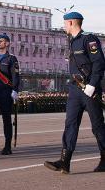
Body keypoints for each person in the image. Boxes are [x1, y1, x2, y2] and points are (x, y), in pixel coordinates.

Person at [44, 11, 105, 174]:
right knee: (70, 123)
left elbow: (99, 63)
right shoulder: (71, 41)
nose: (64, 26)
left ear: (71, 23)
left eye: (65, 23)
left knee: (98, 126)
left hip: (89, 90)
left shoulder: (88, 39)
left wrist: (93, 84)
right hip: (75, 89)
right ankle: (65, 161)